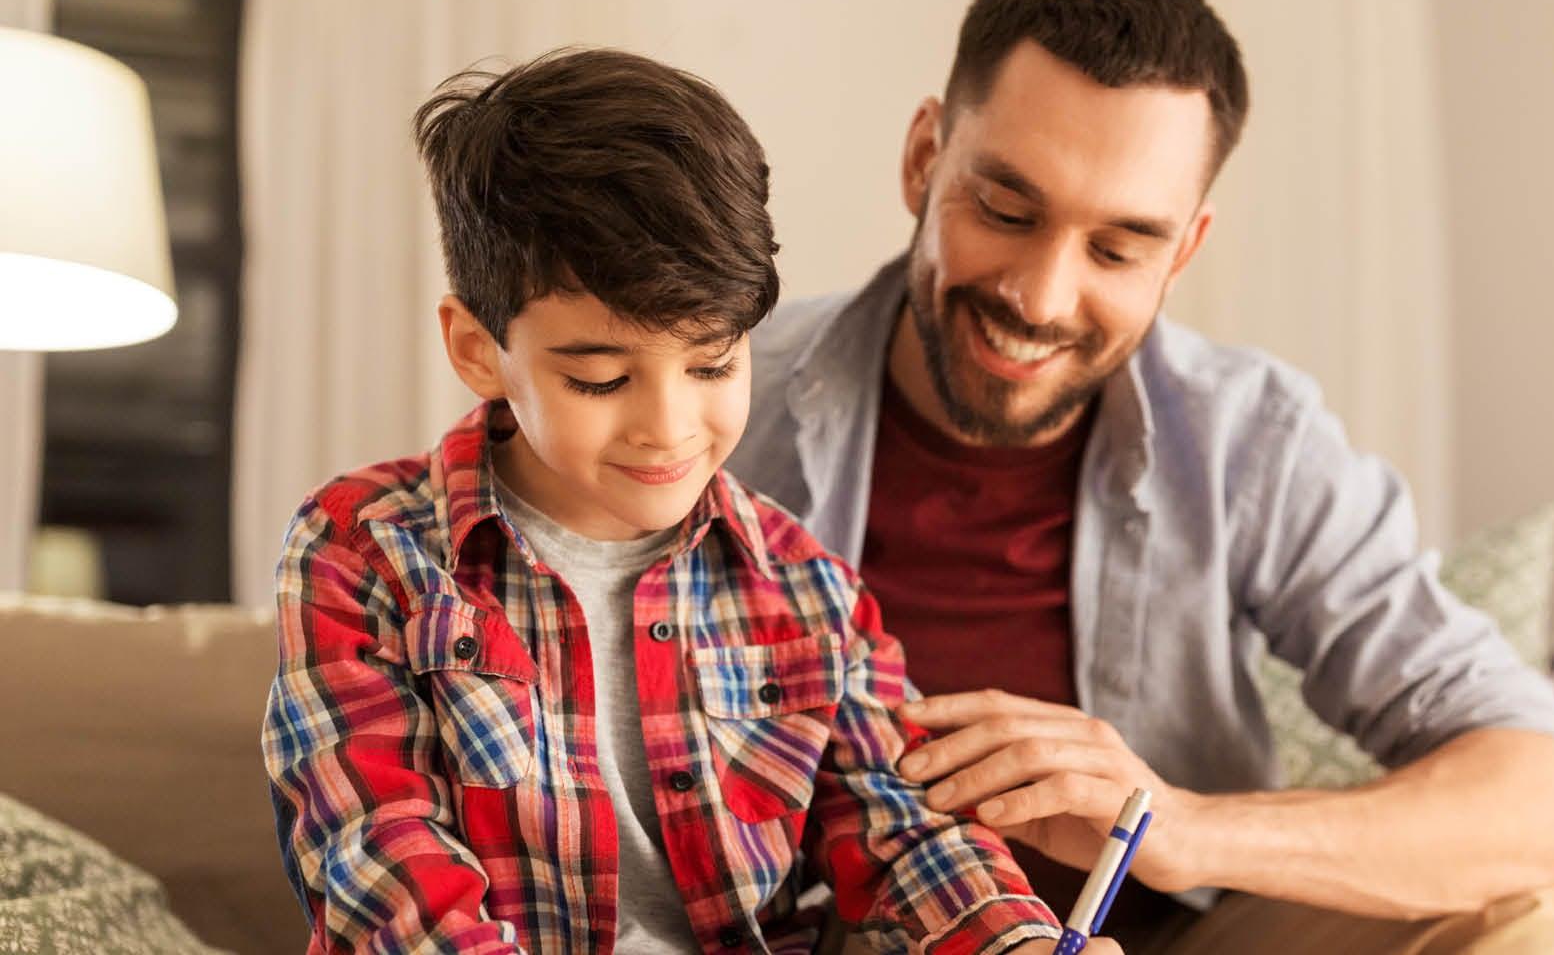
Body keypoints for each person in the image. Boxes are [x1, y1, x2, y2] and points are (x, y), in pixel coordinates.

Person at [728, 0, 1554, 951]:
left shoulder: (1248, 438)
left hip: (1174, 938)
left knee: (1540, 927)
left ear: (1181, 251)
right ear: (923, 158)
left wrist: (1176, 825)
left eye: (1116, 249)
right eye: (1007, 212)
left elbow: (1546, 801)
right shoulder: (710, 402)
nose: (1043, 296)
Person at [261, 47, 1113, 955]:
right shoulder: (364, 552)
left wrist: (1016, 940)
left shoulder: (805, 588)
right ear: (479, 351)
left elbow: (907, 829)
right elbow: (381, 865)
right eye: (599, 377)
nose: (669, 430)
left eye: (713, 364)